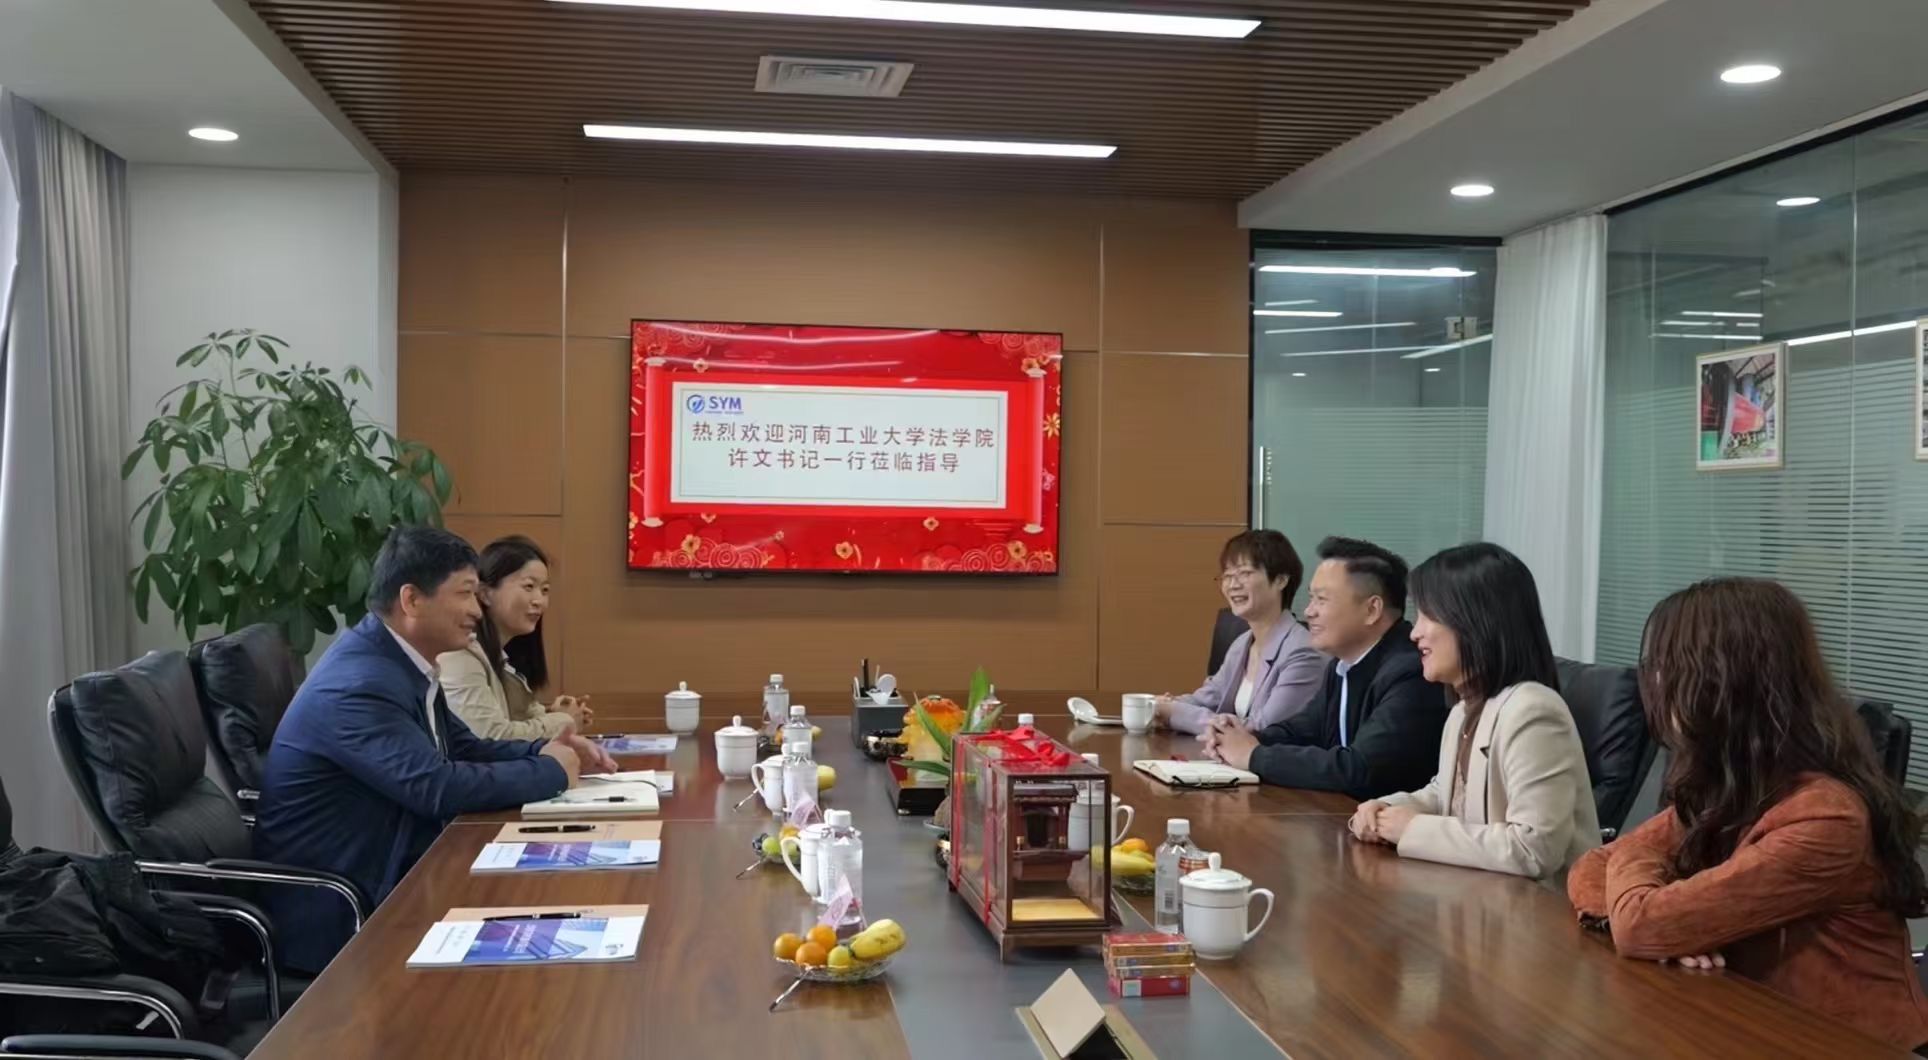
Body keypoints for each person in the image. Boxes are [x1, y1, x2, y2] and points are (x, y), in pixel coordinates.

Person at [1567, 578, 1928, 1051]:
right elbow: (1590, 868)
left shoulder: (1825, 817)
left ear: (1727, 683)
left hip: (1850, 1044)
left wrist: (1662, 913)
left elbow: (1640, 923)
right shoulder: (1734, 786)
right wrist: (1676, 926)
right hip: (1747, 1022)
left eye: (1669, 668)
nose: (1654, 684)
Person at [255, 526, 618, 972]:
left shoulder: (398, 663)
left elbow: (465, 747)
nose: (476, 609)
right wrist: (551, 771)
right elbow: (434, 786)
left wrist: (551, 748)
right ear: (412, 600)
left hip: (401, 875)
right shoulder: (360, 683)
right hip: (342, 914)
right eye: (465, 594)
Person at [1349, 543, 1599, 881]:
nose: (1415, 632)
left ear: (1474, 621)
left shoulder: (1533, 711)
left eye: (1428, 615)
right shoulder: (1464, 709)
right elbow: (1446, 795)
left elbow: (1534, 849)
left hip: (1542, 909)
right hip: (1481, 900)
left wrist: (1413, 829)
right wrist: (1388, 808)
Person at [1205, 537, 1444, 799]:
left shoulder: (1412, 672)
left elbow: (1359, 768)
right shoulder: (1342, 665)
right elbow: (1303, 730)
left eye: (1322, 599)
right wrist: (1244, 736)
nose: (1309, 612)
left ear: (1372, 609)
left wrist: (1254, 755)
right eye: (1311, 598)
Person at [1155, 530, 1326, 735]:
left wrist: (1174, 713)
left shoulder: (1303, 652)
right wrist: (1162, 704)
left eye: (1245, 573)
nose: (1233, 585)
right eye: (1227, 576)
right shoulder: (1242, 643)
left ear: (1281, 580)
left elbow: (1262, 729)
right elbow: (1207, 699)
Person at [438, 535, 592, 741]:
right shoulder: (460, 655)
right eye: (529, 587)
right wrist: (563, 721)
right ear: (485, 593)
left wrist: (553, 714)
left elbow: (513, 725)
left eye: (545, 590)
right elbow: (491, 738)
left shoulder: (501, 659)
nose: (539, 601)